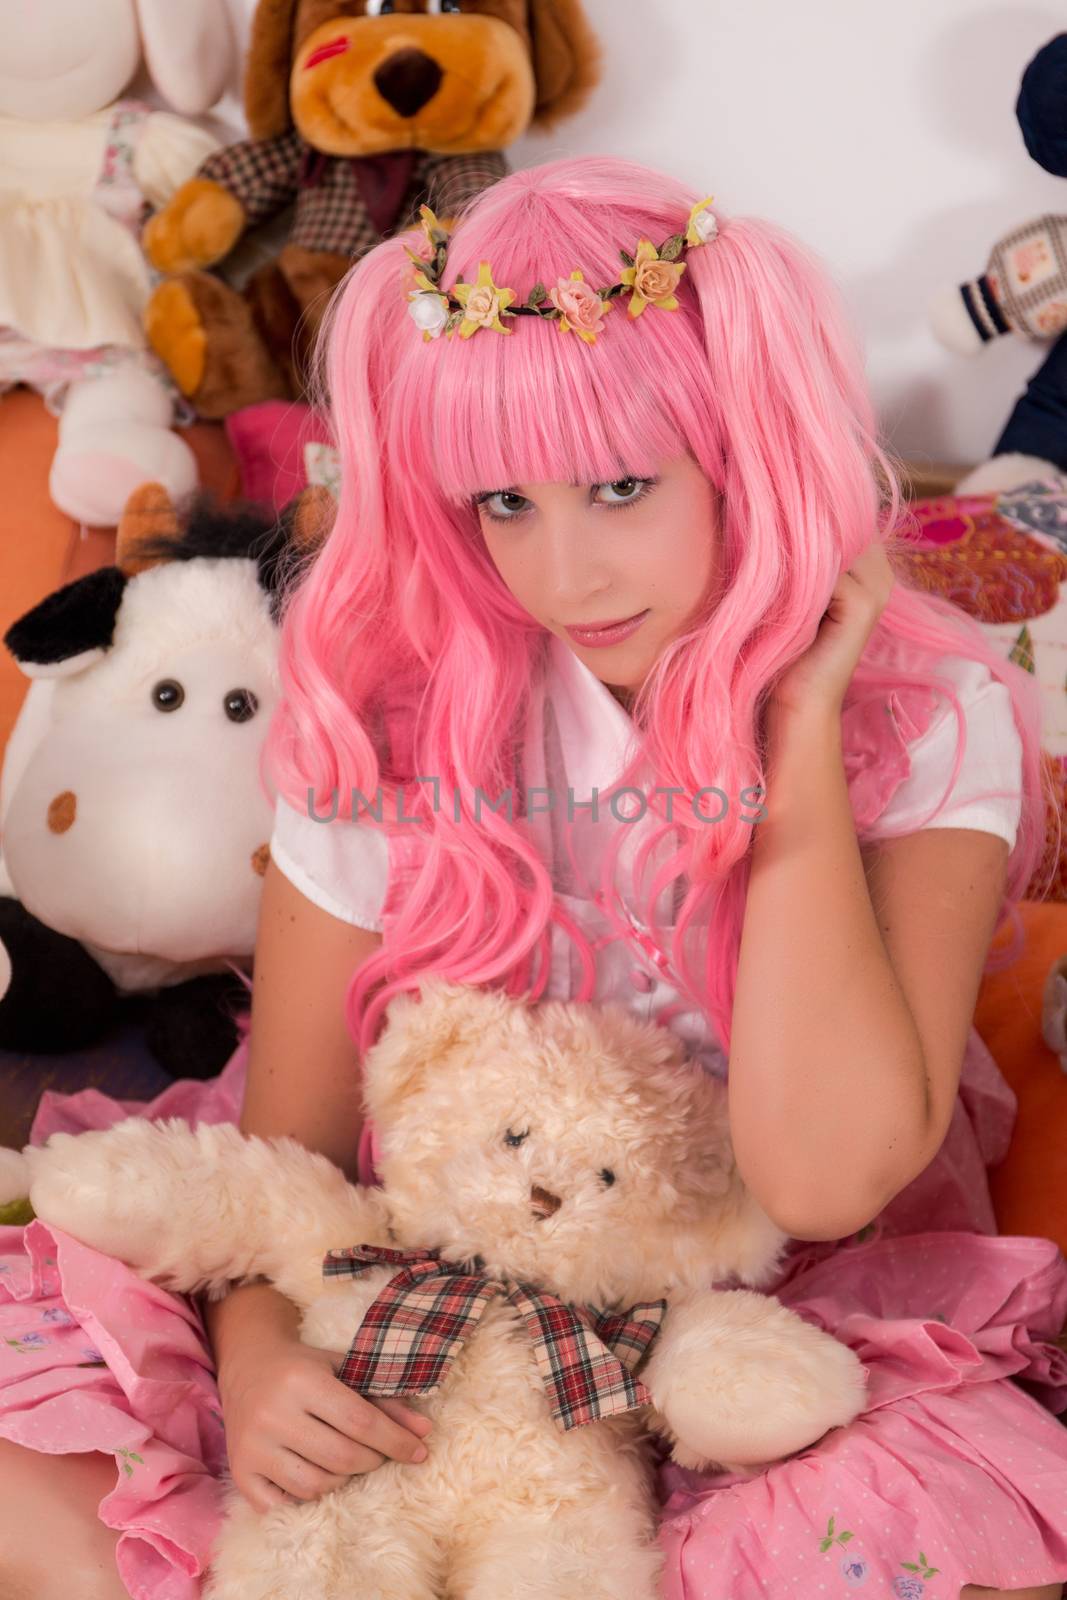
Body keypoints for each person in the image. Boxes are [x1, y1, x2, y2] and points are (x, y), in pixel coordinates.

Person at [2, 153, 1066, 1600]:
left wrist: (795, 739)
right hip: (390, 1283)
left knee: (903, 1537)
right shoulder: (396, 705)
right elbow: (292, 1146)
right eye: (504, 503)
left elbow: (824, 1181)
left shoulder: (921, 724)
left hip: (743, 1342)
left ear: (744, 456)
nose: (564, 575)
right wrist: (258, 1364)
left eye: (623, 487)